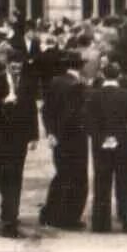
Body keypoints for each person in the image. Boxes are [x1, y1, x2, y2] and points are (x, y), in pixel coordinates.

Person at [84, 63, 127, 234]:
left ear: (102, 74)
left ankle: (101, 224)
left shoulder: (93, 96)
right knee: (126, 184)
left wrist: (103, 138)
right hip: (124, 146)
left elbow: (88, 122)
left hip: (101, 147)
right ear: (119, 76)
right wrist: (119, 138)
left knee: (101, 184)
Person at [0, 59, 37, 238]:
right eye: (13, 65)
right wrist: (4, 102)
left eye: (18, 65)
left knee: (15, 175)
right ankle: (8, 210)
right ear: (7, 65)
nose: (16, 68)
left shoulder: (28, 84)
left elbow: (32, 110)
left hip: (19, 138)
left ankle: (10, 216)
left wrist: (34, 136)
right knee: (3, 175)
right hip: (0, 137)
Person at [39, 64, 89, 230]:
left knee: (61, 174)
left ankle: (50, 214)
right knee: (78, 177)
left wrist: (51, 132)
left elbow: (46, 110)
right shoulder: (79, 86)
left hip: (59, 138)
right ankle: (69, 217)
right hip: (75, 138)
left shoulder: (55, 82)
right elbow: (77, 114)